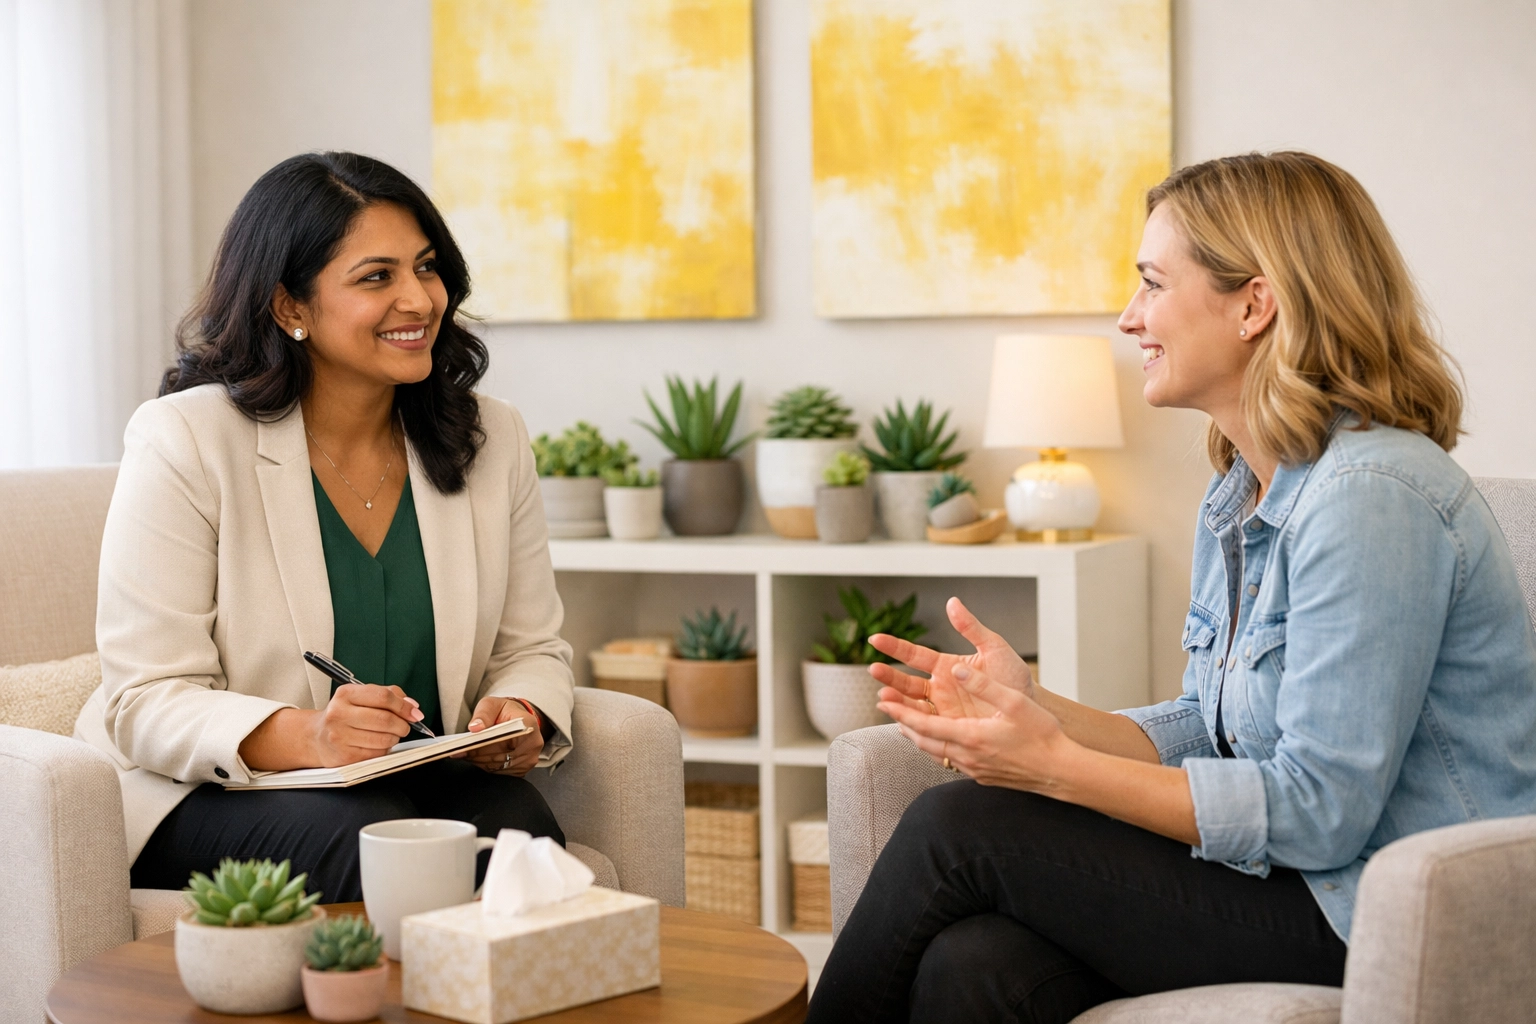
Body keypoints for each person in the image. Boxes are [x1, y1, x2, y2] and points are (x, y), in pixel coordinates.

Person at [807, 152, 1536, 1023]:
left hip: (1383, 908)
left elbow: (1318, 812)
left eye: (1152, 284)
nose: (1129, 317)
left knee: (955, 827)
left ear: (1254, 305)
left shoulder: (1371, 496)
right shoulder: (1243, 489)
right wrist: (1039, 708)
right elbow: (1210, 724)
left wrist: (1054, 767)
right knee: (975, 964)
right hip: (1307, 886)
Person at [75, 152, 574, 903]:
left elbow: (531, 646)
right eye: (377, 277)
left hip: (407, 776)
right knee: (368, 841)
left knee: (522, 833)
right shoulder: (184, 438)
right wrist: (308, 738)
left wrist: (521, 710)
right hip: (210, 791)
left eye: (428, 267)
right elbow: (145, 697)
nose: (419, 299)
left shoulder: (490, 437)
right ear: (290, 307)